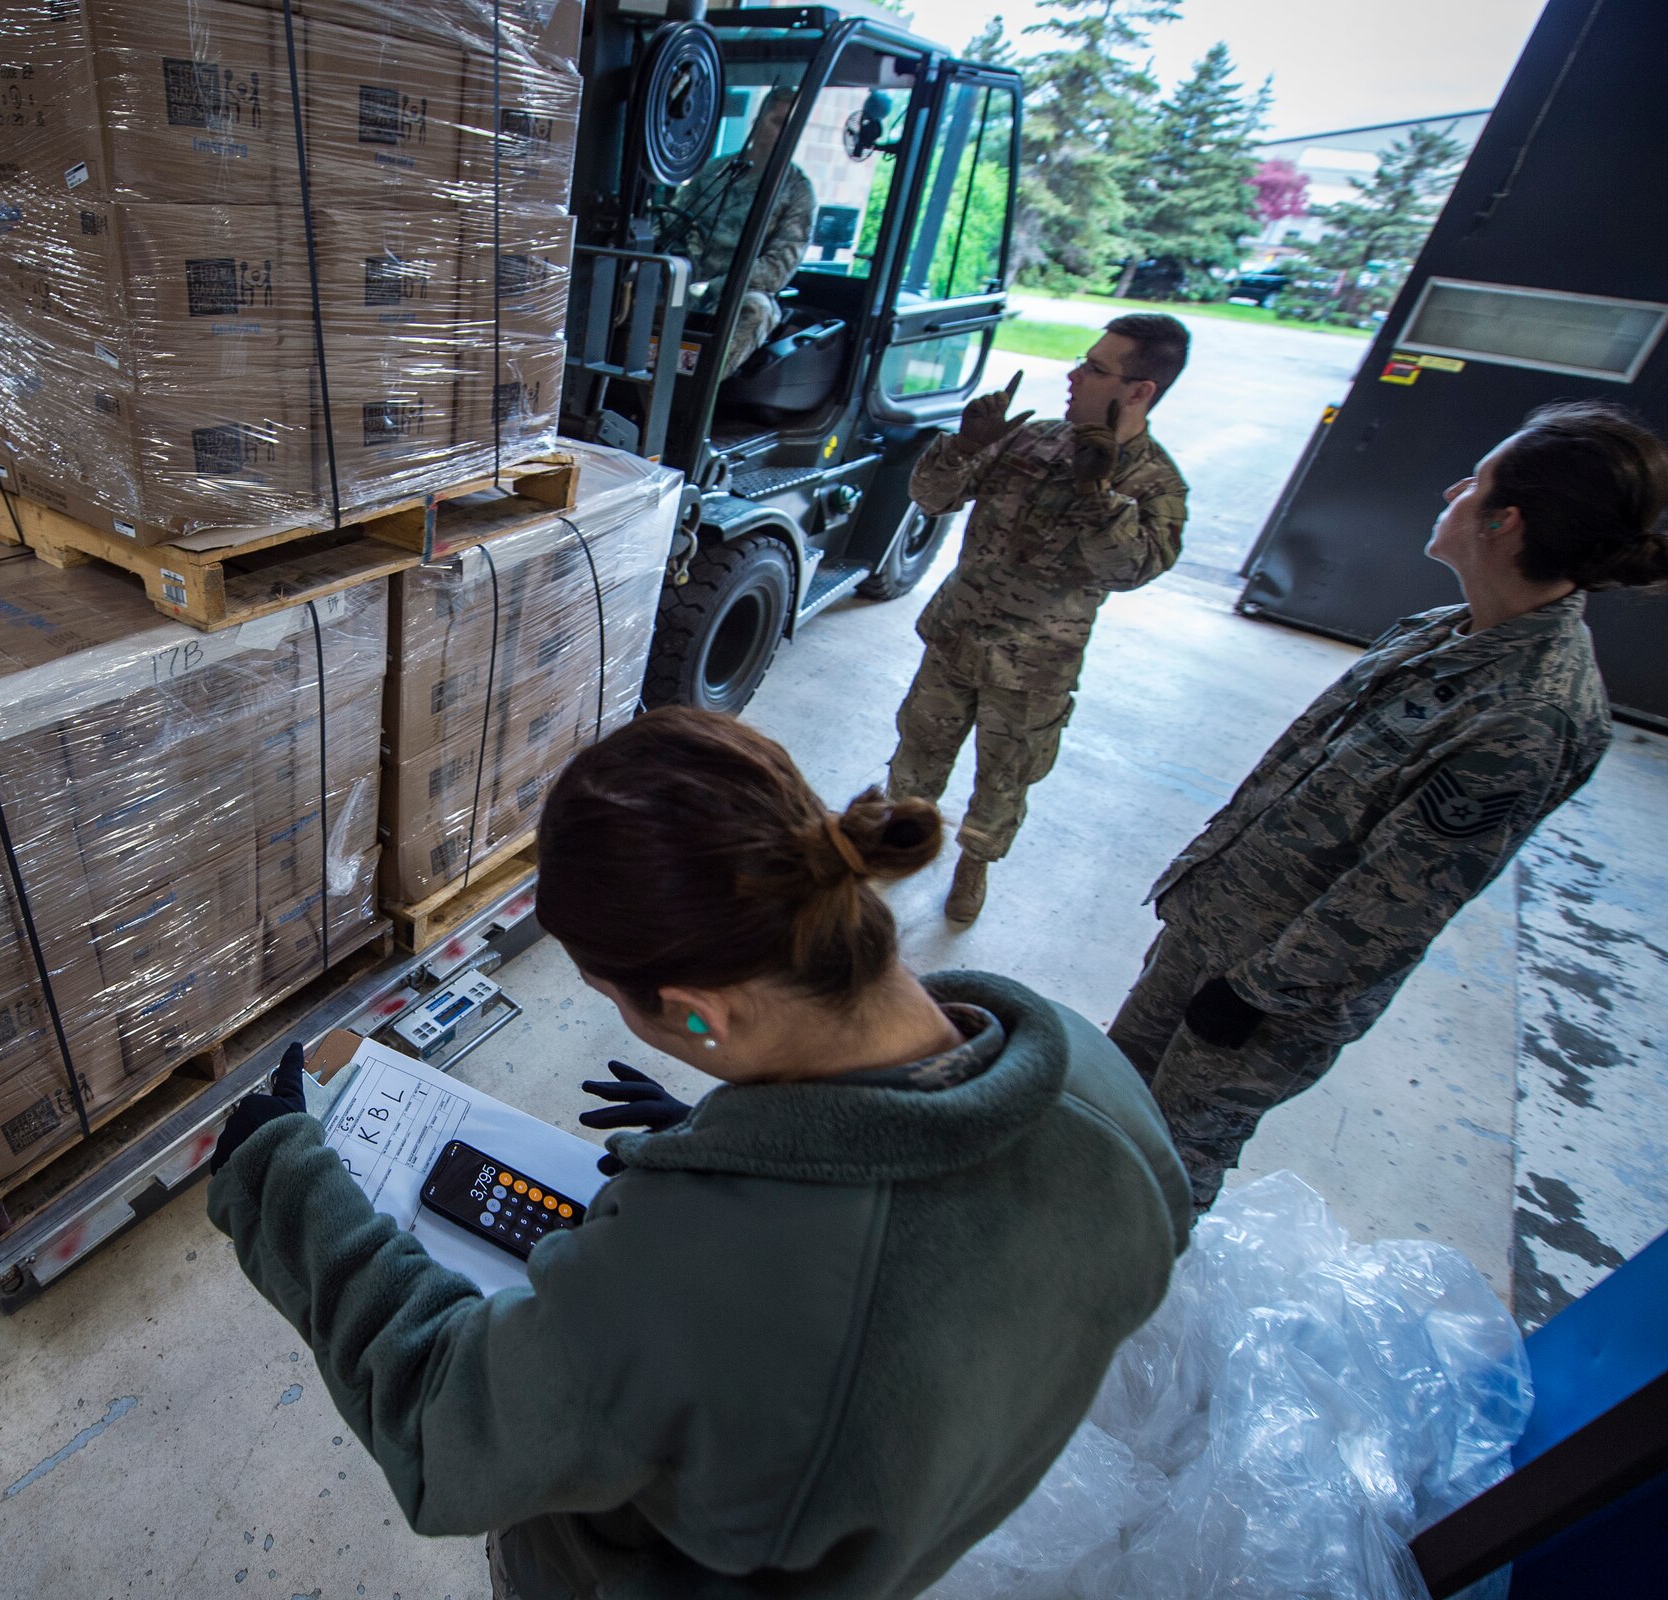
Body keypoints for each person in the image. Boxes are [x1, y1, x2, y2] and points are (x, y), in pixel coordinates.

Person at [209, 707, 1191, 1600]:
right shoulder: (1102, 1098)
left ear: (698, 1013)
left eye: (617, 1000)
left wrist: (281, 1175)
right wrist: (724, 1135)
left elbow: (445, 1425)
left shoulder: (701, 1277)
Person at [1112, 399, 1668, 1210]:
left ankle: (1116, 1308)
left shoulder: (1527, 714)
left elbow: (1392, 906)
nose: (1452, 490)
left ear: (1504, 523)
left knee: (1167, 1165)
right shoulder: (1443, 630)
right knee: (1109, 1103)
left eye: (1474, 483)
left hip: (1261, 995)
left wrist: (1254, 993)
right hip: (1217, 932)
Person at [886, 315, 1191, 925]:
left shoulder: (1156, 483)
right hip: (956, 634)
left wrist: (1097, 493)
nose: (1075, 375)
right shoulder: (1032, 439)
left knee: (1004, 777)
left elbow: (1132, 569)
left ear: (1139, 391)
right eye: (1083, 361)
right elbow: (933, 497)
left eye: (1097, 369)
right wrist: (965, 446)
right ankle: (897, 842)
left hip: (1033, 666)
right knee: (918, 752)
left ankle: (976, 860)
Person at [665, 87, 817, 376]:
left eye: (791, 126)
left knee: (755, 311)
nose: (782, 132)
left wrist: (718, 286)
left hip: (740, 288)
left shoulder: (797, 192)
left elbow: (776, 270)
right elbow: (675, 222)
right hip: (689, 275)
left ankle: (695, 396)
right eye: (776, 121)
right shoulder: (716, 171)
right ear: (757, 120)